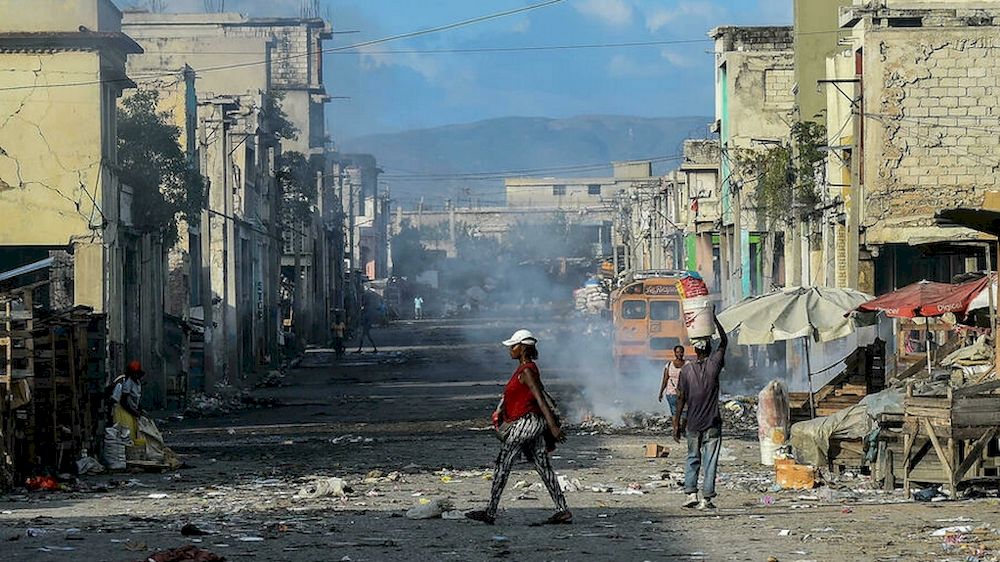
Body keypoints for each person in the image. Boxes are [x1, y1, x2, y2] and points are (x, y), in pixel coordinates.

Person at [466, 329, 571, 525]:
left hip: (526, 423)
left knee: (503, 464)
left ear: (522, 349)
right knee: (543, 467)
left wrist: (553, 427)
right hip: (533, 424)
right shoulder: (528, 369)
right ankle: (563, 510)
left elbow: (540, 399)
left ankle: (490, 512)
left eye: (513, 346)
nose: (510, 350)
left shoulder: (526, 371)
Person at [673, 313, 727, 510]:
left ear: (694, 350)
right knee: (710, 461)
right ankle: (707, 498)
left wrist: (677, 423)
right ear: (710, 349)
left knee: (692, 457)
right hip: (712, 422)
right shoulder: (714, 365)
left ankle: (690, 494)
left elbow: (681, 397)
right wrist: (713, 320)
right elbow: (724, 341)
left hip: (693, 424)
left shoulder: (686, 370)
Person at [110, 360, 146, 447]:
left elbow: (137, 399)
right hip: (123, 410)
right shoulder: (128, 382)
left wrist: (139, 410)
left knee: (133, 432)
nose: (136, 375)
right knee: (126, 433)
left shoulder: (137, 382)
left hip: (131, 410)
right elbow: (123, 402)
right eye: (134, 374)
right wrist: (134, 412)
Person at [658, 345, 686, 415]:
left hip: (684, 394)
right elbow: (665, 380)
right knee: (675, 413)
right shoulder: (669, 365)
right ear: (674, 353)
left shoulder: (688, 364)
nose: (679, 354)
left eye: (681, 352)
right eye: (677, 352)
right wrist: (661, 392)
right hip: (671, 393)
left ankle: (679, 426)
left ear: (683, 353)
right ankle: (676, 426)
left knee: (684, 414)